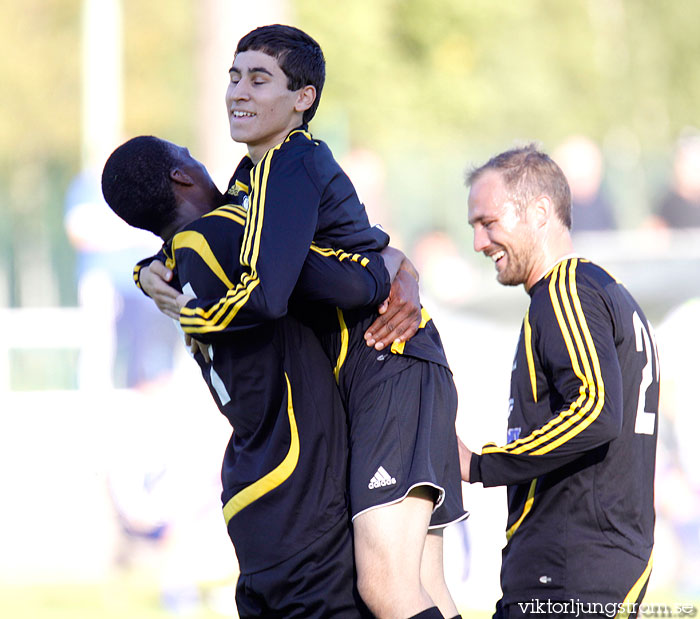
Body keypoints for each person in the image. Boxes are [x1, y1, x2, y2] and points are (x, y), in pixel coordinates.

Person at [139, 24, 467, 619]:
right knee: (424, 587)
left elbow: (273, 289)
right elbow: (225, 237)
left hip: (385, 360)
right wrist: (151, 267)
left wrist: (199, 312)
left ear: (303, 99)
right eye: (234, 76)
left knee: (386, 589)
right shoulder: (251, 177)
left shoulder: (293, 159)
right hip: (393, 366)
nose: (238, 90)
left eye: (259, 78)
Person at [101, 135, 406, 616]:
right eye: (192, 156)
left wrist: (145, 272)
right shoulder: (227, 235)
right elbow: (349, 283)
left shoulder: (176, 260)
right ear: (182, 176)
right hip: (296, 482)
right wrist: (393, 265)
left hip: (254, 484)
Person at [460, 145, 659, 618]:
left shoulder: (567, 289)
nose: (479, 242)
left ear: (541, 212)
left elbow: (595, 410)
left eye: (488, 223)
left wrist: (481, 464)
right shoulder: (600, 290)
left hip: (571, 572)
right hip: (585, 567)